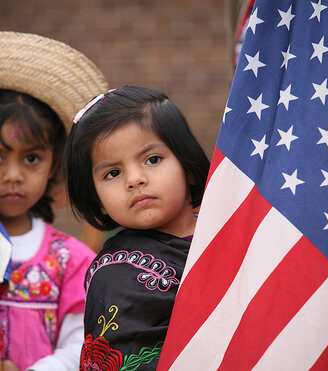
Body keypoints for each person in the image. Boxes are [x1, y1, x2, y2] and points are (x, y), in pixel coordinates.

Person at [63, 85, 210, 370]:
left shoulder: (233, 232)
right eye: (112, 173)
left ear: (187, 165)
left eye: (152, 159)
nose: (134, 179)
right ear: (98, 199)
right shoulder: (115, 276)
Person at [0, 31, 109, 371]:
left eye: (31, 158)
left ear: (54, 163)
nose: (13, 175)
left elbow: (82, 344)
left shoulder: (70, 261)